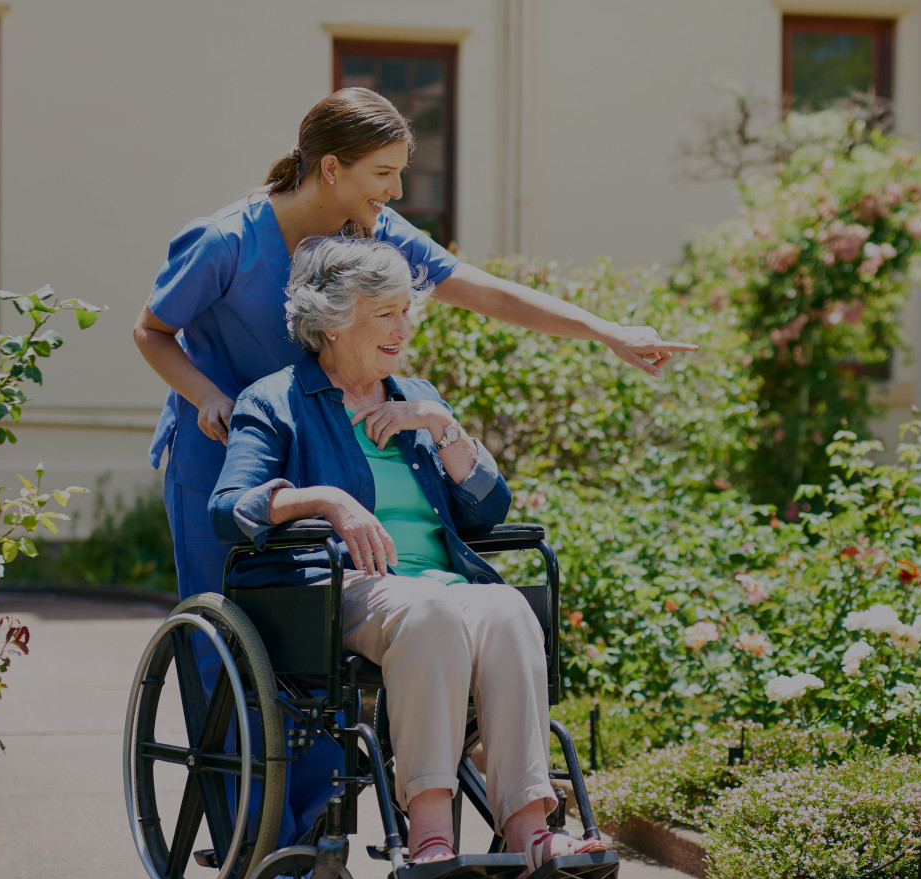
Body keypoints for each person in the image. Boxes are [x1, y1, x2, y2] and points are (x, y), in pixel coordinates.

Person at [136, 87, 693, 603]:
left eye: (400, 173)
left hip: (320, 447)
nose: (396, 191)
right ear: (331, 168)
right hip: (222, 444)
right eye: (383, 173)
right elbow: (152, 331)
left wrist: (608, 332)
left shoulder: (377, 228)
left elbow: (490, 295)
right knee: (220, 633)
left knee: (307, 639)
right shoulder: (224, 241)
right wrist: (206, 395)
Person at [211, 236, 604, 871]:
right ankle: (429, 837)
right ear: (334, 324)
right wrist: (327, 501)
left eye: (405, 310)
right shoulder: (276, 400)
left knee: (507, 610)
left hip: (443, 585)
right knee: (429, 612)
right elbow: (230, 507)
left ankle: (532, 831)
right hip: (348, 588)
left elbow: (488, 510)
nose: (403, 328)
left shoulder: (417, 394)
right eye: (384, 314)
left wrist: (439, 424)